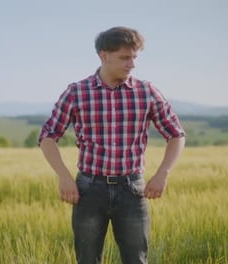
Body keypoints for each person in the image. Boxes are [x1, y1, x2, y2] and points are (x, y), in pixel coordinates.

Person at [38, 26, 186, 264]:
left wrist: (163, 173)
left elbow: (177, 134)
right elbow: (47, 136)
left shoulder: (146, 92)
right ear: (103, 55)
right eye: (124, 57)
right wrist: (64, 176)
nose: (132, 64)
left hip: (132, 190)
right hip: (88, 190)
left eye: (134, 57)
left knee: (136, 260)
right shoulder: (77, 92)